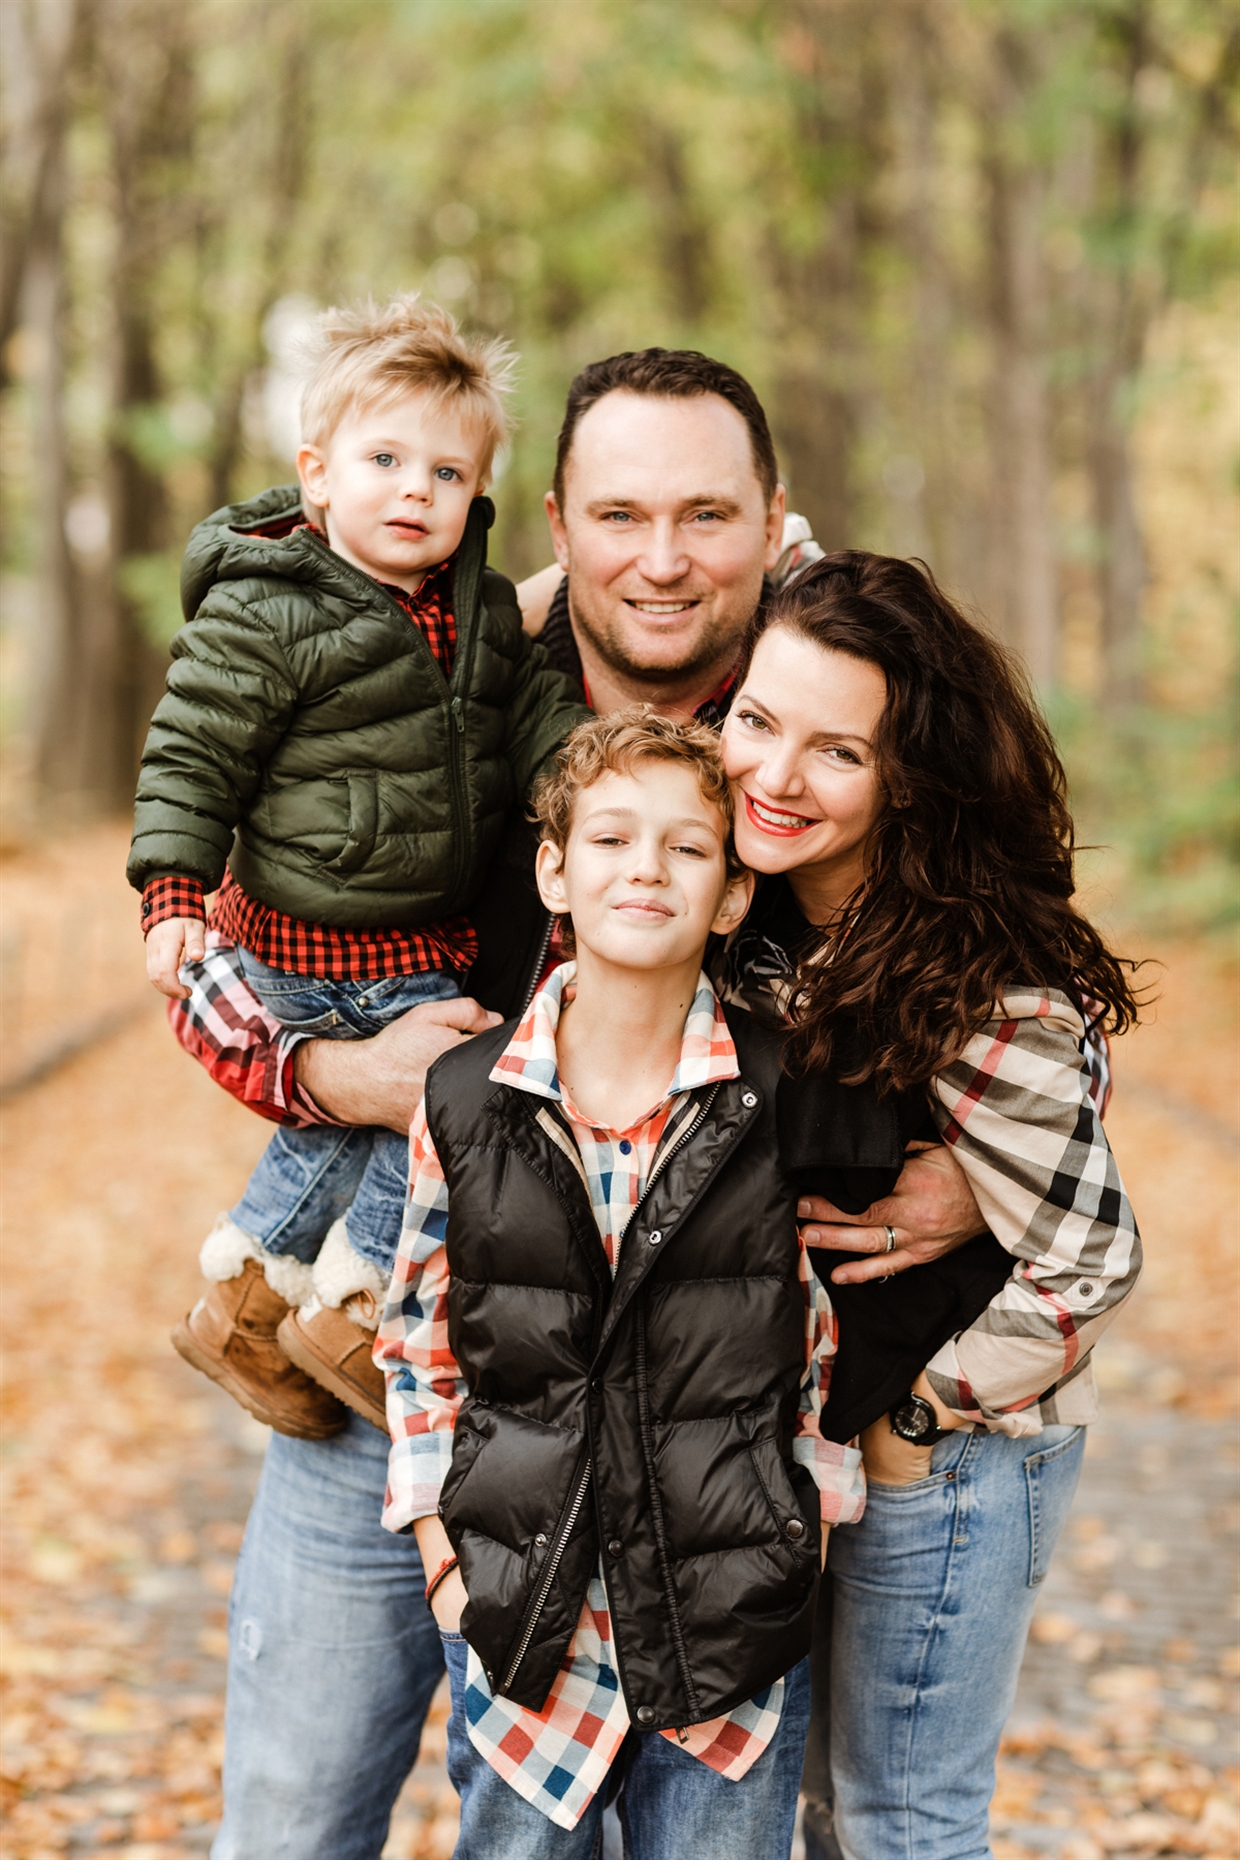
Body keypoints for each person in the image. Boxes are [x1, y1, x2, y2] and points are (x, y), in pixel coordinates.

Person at [168, 349, 986, 1860]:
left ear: (771, 524)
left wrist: (987, 1172)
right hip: (396, 1367)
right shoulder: (435, 668)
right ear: (555, 522)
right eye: (619, 515)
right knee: (291, 1814)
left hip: (696, 1431)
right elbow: (216, 940)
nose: (660, 560)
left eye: (705, 516)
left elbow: (1006, 963)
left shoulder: (809, 725)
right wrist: (338, 1075)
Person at [377, 709, 865, 1858]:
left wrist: (802, 1542)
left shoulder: (781, 1095)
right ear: (554, 871)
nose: (645, 868)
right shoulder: (464, 1100)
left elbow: (823, 1344)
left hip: (726, 1635)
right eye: (609, 839)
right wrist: (445, 1565)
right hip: (525, 1626)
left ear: (732, 895)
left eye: (686, 847)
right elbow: (417, 1342)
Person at [715, 550, 1142, 1860]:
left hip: (952, 1449)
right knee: (824, 1816)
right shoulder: (757, 912)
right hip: (810, 1443)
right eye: (757, 721)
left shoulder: (973, 977)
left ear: (907, 779)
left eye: (838, 752)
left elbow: (1092, 1259)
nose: (777, 775)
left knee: (903, 1822)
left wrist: (921, 1417)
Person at [127, 294, 588, 1439]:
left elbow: (533, 716)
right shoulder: (269, 609)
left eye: (445, 472)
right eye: (384, 460)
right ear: (317, 475)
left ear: (477, 496)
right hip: (314, 941)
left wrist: (593, 783)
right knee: (470, 1094)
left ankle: (248, 1303)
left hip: (403, 937)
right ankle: (356, 1304)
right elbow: (193, 748)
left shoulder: (480, 612)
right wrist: (173, 889)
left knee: (349, 1132)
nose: (414, 490)